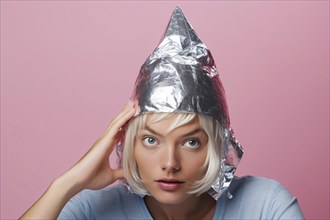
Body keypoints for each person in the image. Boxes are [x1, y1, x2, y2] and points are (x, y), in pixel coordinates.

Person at [20, 7, 304, 220]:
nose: (170, 163)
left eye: (191, 142)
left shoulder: (266, 207)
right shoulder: (94, 210)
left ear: (216, 147)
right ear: (128, 143)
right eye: (151, 140)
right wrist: (67, 184)